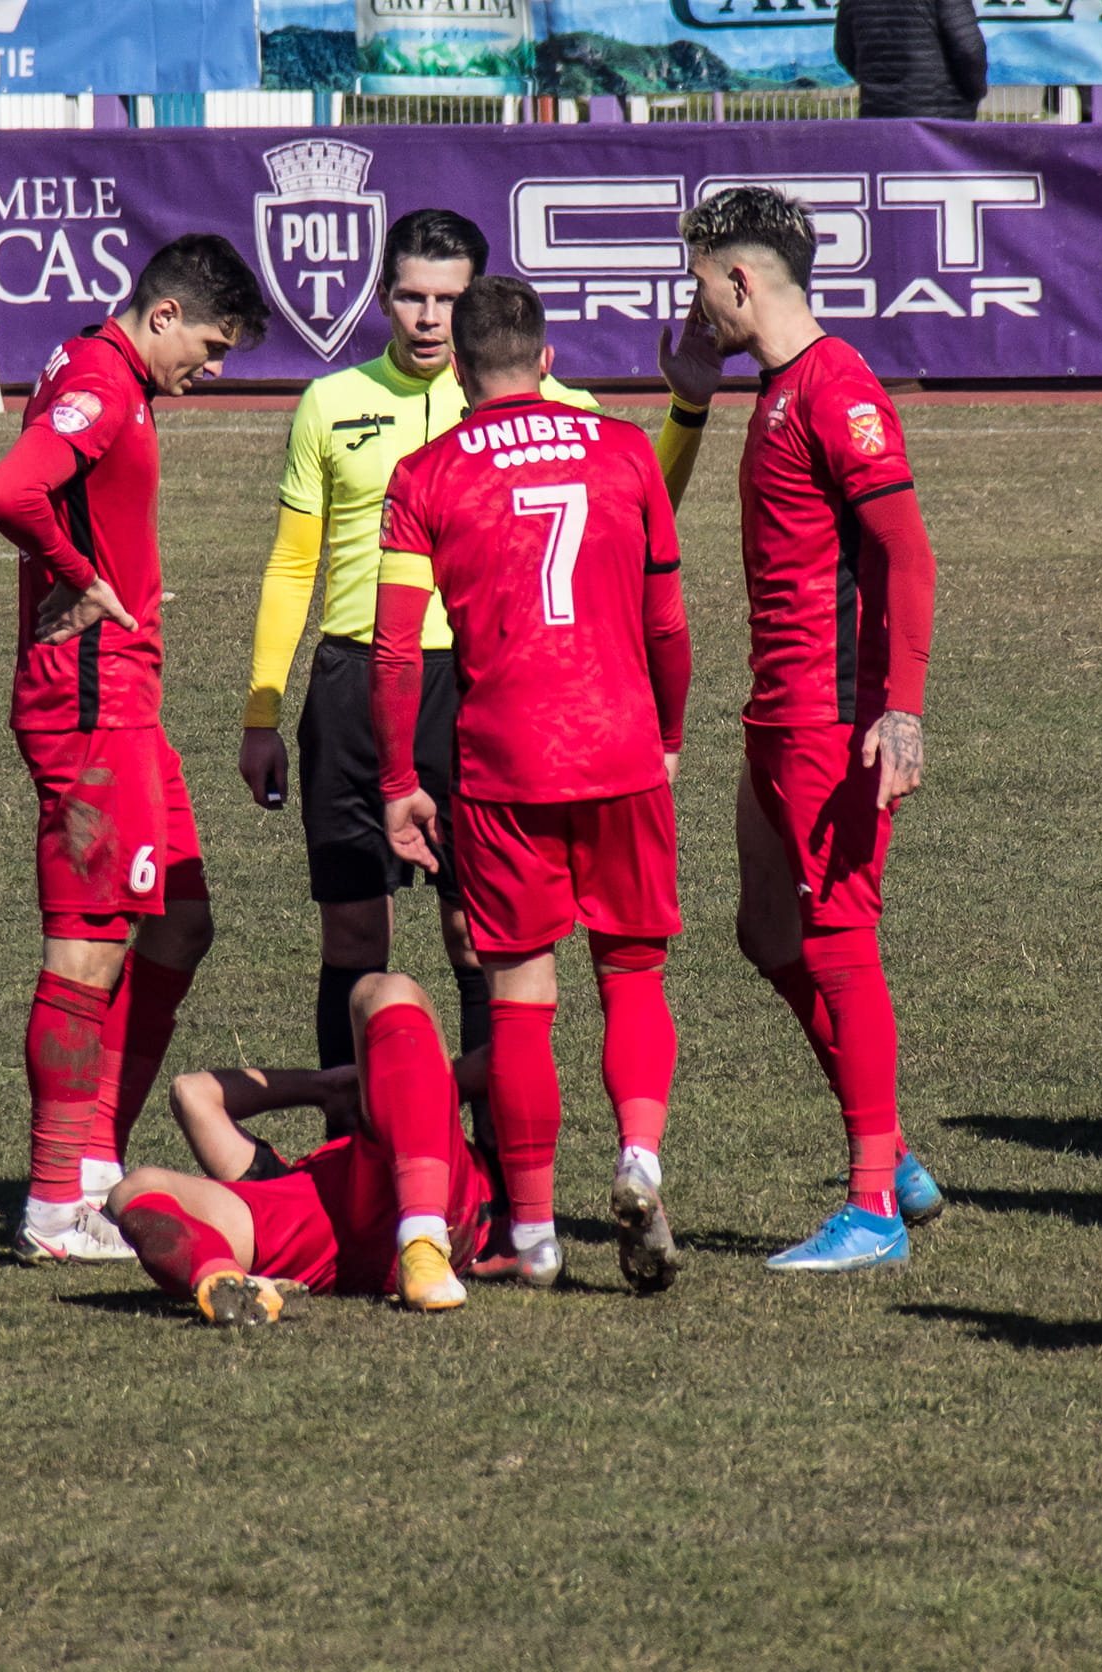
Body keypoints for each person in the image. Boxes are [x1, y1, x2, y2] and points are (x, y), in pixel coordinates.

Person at [237, 209, 720, 1137]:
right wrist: (264, 710)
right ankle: (358, 1155)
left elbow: (638, 506)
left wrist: (686, 415)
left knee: (478, 939)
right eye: (410, 296)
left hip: (479, 691)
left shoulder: (552, 404)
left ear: (474, 313)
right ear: (383, 297)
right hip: (353, 687)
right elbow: (294, 564)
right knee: (354, 936)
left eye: (446, 300)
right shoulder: (330, 402)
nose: (426, 317)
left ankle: (494, 1162)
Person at [373, 276, 692, 1295]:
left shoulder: (424, 473)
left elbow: (394, 651)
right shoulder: (625, 451)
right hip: (619, 746)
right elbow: (667, 622)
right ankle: (638, 1156)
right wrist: (669, 732)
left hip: (505, 760)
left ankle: (538, 1233)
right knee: (631, 974)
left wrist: (396, 778)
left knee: (518, 997)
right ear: (548, 360)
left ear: (459, 370)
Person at [0, 235, 272, 1264]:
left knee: (180, 920)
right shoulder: (105, 384)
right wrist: (83, 577)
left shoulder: (96, 364)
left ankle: (95, 1162)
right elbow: (6, 491)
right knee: (90, 944)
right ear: (164, 315)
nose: (214, 367)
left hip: (127, 702)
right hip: (90, 703)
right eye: (212, 345)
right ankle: (56, 1207)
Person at [679, 186, 945, 1273]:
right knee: (765, 932)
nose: (693, 306)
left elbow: (906, 552)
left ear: (741, 279)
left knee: (838, 936)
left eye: (699, 285)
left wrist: (900, 708)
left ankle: (872, 1204)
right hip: (775, 707)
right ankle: (895, 1153)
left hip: (832, 718)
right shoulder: (776, 386)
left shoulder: (836, 388)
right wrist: (688, 394)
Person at [107, 972, 494, 1323]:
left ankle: (214, 1270)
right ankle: (228, 1284)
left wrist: (322, 1088)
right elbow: (189, 1093)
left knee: (133, 1190)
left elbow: (193, 1093)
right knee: (381, 990)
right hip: (438, 1206)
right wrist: (394, 1084)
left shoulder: (283, 1190)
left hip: (325, 1240)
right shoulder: (279, 1182)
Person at [834, 0, 988, 121]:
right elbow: (969, 49)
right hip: (939, 122)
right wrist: (974, 93)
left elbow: (844, 49)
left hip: (877, 116)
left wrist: (877, 83)